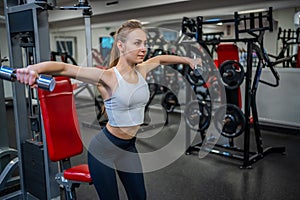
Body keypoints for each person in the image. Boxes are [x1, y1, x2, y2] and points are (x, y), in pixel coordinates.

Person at [16, 19, 202, 200]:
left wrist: (187, 60)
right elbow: (65, 68)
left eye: (145, 43)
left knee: (139, 196)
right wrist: (32, 69)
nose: (143, 48)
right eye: (137, 43)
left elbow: (161, 58)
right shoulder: (107, 77)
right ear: (121, 46)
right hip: (103, 150)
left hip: (128, 146)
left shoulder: (142, 69)